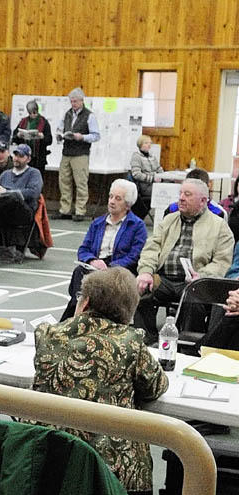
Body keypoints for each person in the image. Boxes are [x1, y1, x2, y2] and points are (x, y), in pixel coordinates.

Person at [33, 267, 169, 495]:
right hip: (109, 464)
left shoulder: (46, 334)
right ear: (129, 310)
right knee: (137, 447)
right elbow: (156, 387)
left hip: (52, 454)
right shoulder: (131, 343)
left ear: (85, 301)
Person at [134, 178, 235, 342]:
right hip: (164, 278)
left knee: (194, 298)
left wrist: (202, 276)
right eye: (180, 193)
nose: (181, 198)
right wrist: (146, 272)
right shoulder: (168, 220)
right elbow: (152, 248)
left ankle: (186, 344)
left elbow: (222, 261)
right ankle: (145, 339)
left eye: (187, 195)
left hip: (194, 281)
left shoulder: (219, 227)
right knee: (139, 289)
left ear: (203, 201)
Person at [60, 179, 147, 320]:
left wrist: (110, 267)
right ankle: (77, 311)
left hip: (119, 270)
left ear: (128, 204)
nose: (112, 201)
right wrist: (93, 260)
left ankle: (76, 318)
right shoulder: (97, 223)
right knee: (78, 273)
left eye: (118, 198)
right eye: (110, 196)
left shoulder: (137, 226)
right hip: (95, 266)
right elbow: (83, 249)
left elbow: (134, 255)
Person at [0, 143, 43, 262]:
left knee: (12, 199)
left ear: (28, 159)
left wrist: (7, 192)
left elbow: (33, 193)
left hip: (24, 213)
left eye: (21, 156)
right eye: (16, 155)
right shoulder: (5, 174)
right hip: (3, 212)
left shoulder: (34, 173)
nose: (17, 158)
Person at [56, 88, 100, 220]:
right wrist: (59, 135)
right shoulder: (67, 114)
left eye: (75, 101)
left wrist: (82, 137)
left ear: (82, 101)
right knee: (64, 181)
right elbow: (59, 128)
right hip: (67, 152)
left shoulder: (89, 115)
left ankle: (80, 210)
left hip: (81, 154)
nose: (73, 104)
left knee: (81, 182)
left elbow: (96, 135)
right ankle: (65, 210)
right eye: (71, 101)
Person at [11, 99, 52, 176]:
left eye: (34, 112)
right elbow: (14, 137)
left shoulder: (44, 122)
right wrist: (19, 135)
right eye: (30, 113)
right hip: (23, 158)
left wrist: (42, 137)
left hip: (38, 158)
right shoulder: (23, 122)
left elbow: (49, 140)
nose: (33, 115)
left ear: (37, 110)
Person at [130, 134, 163, 220]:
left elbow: (159, 169)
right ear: (140, 144)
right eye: (146, 143)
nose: (149, 145)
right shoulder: (136, 157)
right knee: (164, 192)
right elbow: (136, 174)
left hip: (155, 184)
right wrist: (152, 179)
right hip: (144, 186)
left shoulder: (153, 157)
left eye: (150, 143)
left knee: (170, 186)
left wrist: (163, 177)